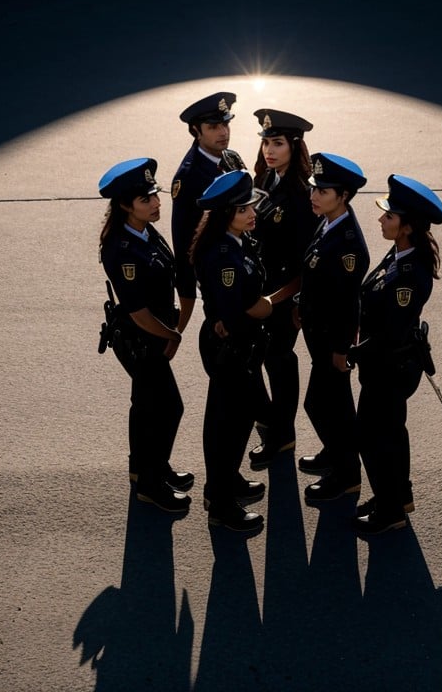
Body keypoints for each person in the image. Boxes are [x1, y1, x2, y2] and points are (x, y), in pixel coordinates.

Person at [351, 174, 442, 535]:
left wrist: (354, 352)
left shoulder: (408, 273)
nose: (380, 220)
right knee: (391, 432)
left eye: (389, 216)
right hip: (386, 364)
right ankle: (395, 496)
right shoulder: (400, 252)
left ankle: (390, 512)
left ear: (406, 226)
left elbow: (390, 331)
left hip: (388, 367)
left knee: (373, 437)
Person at [98, 158, 193, 513]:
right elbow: (138, 312)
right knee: (168, 407)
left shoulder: (144, 231)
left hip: (153, 334)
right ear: (125, 205)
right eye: (146, 199)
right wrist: (174, 335)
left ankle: (144, 469)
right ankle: (151, 486)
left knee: (145, 407)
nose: (156, 203)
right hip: (142, 339)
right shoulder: (122, 249)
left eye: (155, 194)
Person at [189, 170, 273, 532]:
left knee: (231, 421)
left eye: (251, 204)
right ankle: (221, 506)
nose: (252, 211)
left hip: (235, 343)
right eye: (243, 209)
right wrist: (271, 305)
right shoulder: (225, 254)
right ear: (226, 215)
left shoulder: (235, 241)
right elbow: (241, 309)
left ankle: (224, 483)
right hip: (232, 347)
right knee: (228, 426)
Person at [247, 109, 319, 469]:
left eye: (277, 143)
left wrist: (276, 300)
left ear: (295, 146)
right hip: (262, 291)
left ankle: (282, 435)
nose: (269, 150)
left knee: (279, 361)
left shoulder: (301, 195)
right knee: (262, 359)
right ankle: (275, 426)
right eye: (265, 142)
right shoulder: (267, 180)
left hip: (284, 298)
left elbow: (308, 263)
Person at [297, 153, 370, 501]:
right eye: (314, 188)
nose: (314, 195)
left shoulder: (348, 245)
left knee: (325, 405)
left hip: (331, 341)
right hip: (319, 335)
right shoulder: (328, 223)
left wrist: (342, 350)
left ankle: (346, 475)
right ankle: (336, 454)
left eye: (323, 191)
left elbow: (346, 302)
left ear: (343, 195)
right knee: (331, 404)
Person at [170, 92, 246, 333]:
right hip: (219, 278)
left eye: (225, 124)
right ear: (196, 130)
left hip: (246, 264)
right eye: (213, 127)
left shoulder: (231, 158)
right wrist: (187, 297)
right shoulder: (189, 178)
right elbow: (183, 243)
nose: (223, 132)